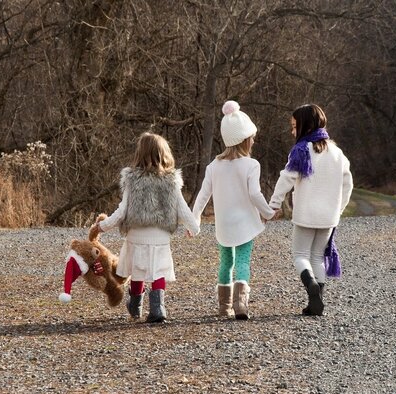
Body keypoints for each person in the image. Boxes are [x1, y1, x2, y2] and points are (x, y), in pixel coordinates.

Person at [93, 132, 199, 323]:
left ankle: (136, 305)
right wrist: (194, 227)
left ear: (139, 154)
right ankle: (158, 309)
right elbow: (183, 209)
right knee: (158, 271)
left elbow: (121, 211)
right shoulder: (171, 182)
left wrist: (102, 226)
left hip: (136, 236)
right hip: (160, 237)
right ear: (164, 154)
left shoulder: (132, 181)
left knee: (137, 269)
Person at [192, 100, 276, 320]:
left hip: (224, 225)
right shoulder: (251, 165)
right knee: (242, 261)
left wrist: (195, 219)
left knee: (226, 263)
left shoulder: (213, 166)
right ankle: (241, 305)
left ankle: (224, 307)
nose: (254, 140)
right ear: (244, 140)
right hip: (245, 224)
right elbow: (255, 194)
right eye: (252, 137)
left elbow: (203, 195)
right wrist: (267, 213)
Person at [269, 104, 353, 316]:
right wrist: (339, 209)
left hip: (306, 215)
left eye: (294, 126)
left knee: (300, 255)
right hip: (329, 217)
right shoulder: (337, 152)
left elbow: (286, 178)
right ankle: (316, 301)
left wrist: (274, 204)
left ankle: (311, 285)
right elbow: (348, 184)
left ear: (305, 126)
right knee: (317, 256)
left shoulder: (301, 150)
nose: (292, 131)